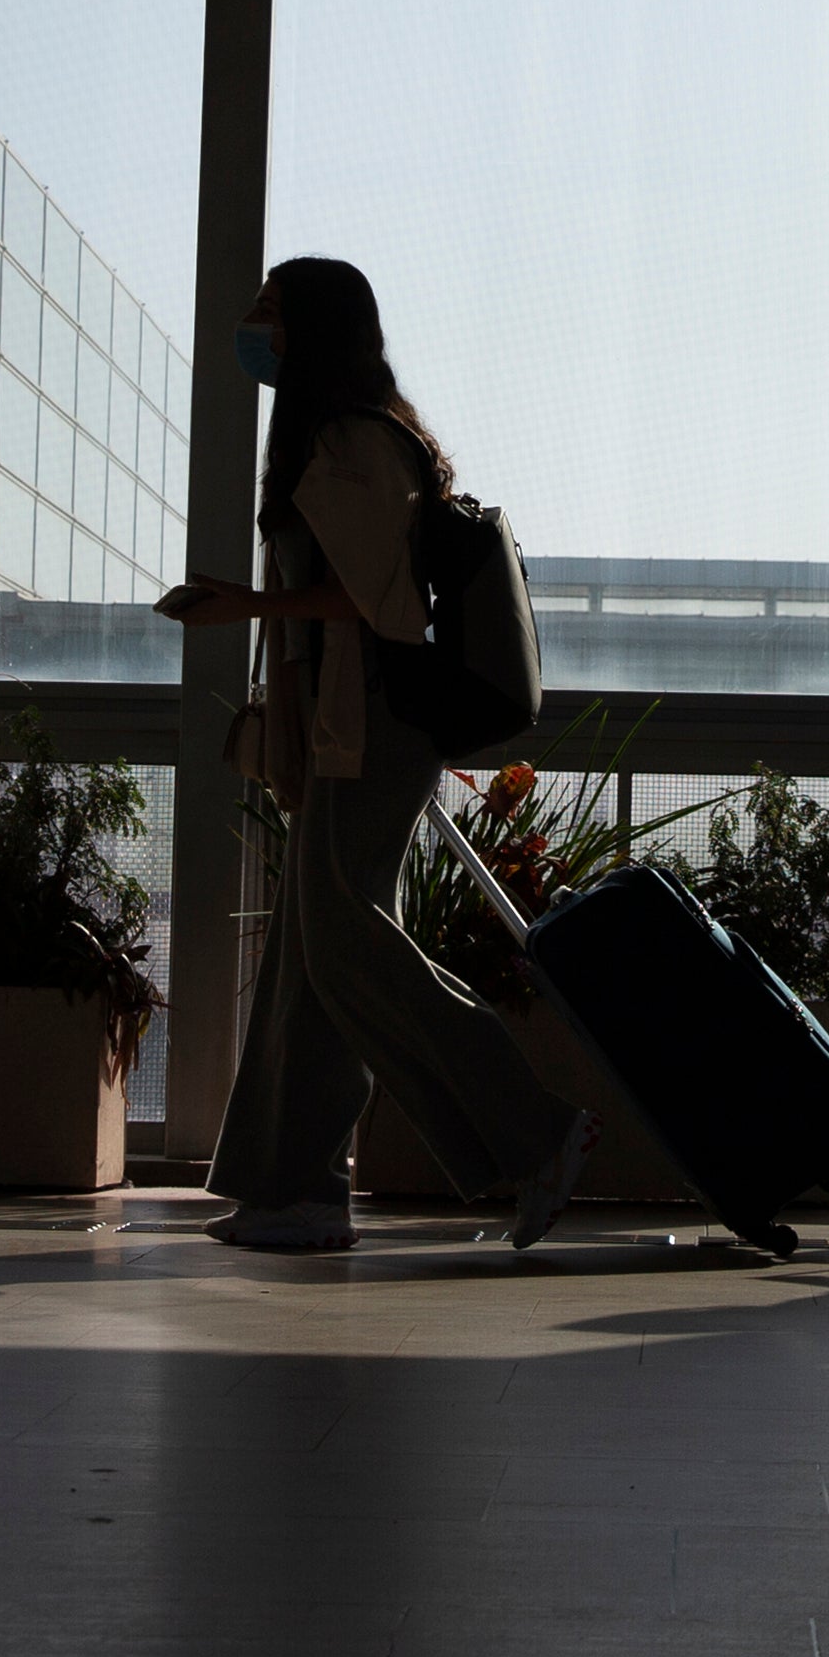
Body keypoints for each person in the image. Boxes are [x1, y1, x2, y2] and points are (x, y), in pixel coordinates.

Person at [157, 256, 592, 1258]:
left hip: (376, 723)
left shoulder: (354, 440)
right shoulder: (340, 433)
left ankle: (536, 1132)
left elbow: (376, 603)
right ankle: (291, 1188)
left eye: (271, 303)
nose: (253, 318)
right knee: (313, 956)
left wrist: (245, 604)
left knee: (345, 940)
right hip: (343, 727)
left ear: (314, 326)